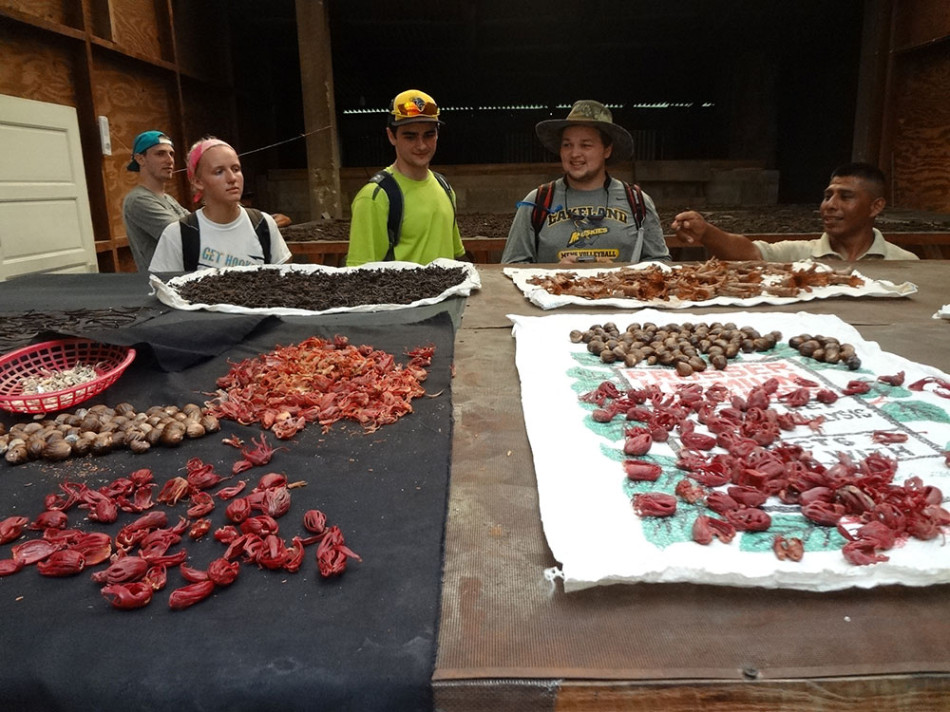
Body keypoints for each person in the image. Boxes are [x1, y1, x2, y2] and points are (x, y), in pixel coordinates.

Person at [502, 100, 670, 265]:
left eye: (585, 145)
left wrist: (619, 275)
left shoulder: (637, 201)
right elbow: (512, 266)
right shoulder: (537, 201)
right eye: (567, 145)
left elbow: (660, 264)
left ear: (607, 150)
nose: (574, 153)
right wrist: (552, 275)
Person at [671, 162, 919, 261]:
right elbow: (749, 253)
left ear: (876, 206)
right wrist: (706, 232)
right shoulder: (800, 254)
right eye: (827, 196)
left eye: (846, 197)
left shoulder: (905, 264)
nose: (830, 205)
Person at [346, 89, 465, 266]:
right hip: (403, 295)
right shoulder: (374, 197)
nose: (421, 145)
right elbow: (361, 273)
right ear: (391, 136)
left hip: (449, 294)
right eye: (410, 136)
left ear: (437, 134)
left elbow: (456, 255)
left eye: (429, 135)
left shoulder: (444, 187)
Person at [149, 137, 291, 272]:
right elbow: (162, 288)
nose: (231, 178)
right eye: (219, 172)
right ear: (198, 182)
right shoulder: (178, 234)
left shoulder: (263, 224)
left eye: (236, 169)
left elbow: (286, 282)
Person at [122, 130, 189, 271]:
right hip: (161, 286)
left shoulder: (167, 198)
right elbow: (186, 236)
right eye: (160, 154)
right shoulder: (138, 200)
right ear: (140, 159)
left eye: (171, 154)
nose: (169, 160)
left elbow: (197, 224)